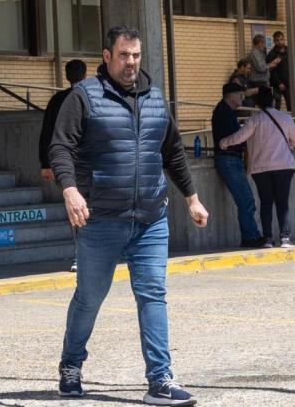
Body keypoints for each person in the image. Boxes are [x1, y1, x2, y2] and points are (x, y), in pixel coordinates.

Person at [48, 26, 207, 406]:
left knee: (153, 294)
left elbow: (172, 152)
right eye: (124, 55)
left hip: (151, 217)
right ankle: (71, 365)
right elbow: (60, 148)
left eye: (136, 55)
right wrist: (70, 190)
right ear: (107, 56)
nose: (131, 62)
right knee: (89, 298)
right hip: (101, 218)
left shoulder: (155, 97)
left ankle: (160, 379)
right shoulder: (84, 96)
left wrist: (192, 198)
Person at [220, 86, 295, 247]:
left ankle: (268, 239)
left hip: (261, 169)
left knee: (266, 202)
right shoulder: (285, 118)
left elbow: (239, 137)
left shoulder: (254, 120)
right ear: (273, 101)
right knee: (282, 202)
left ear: (257, 104)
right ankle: (285, 237)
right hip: (284, 166)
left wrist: (224, 143)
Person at [41, 59, 89, 272]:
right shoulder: (89, 97)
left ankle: (81, 256)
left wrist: (45, 163)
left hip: (66, 164)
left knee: (75, 209)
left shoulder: (57, 100)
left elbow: (46, 133)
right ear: (85, 74)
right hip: (87, 161)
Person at [211, 82, 263, 248]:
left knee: (246, 200)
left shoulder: (226, 112)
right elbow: (232, 139)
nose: (242, 98)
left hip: (231, 159)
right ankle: (250, 236)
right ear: (231, 96)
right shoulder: (223, 113)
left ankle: (251, 234)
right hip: (229, 159)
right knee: (246, 200)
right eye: (240, 95)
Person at [265, 33, 293, 111]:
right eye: (277, 40)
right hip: (276, 84)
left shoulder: (289, 50)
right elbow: (272, 71)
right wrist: (279, 83)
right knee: (277, 104)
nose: (280, 42)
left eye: (281, 39)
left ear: (284, 39)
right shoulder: (271, 54)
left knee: (291, 104)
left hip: (288, 82)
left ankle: (291, 121)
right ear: (274, 41)